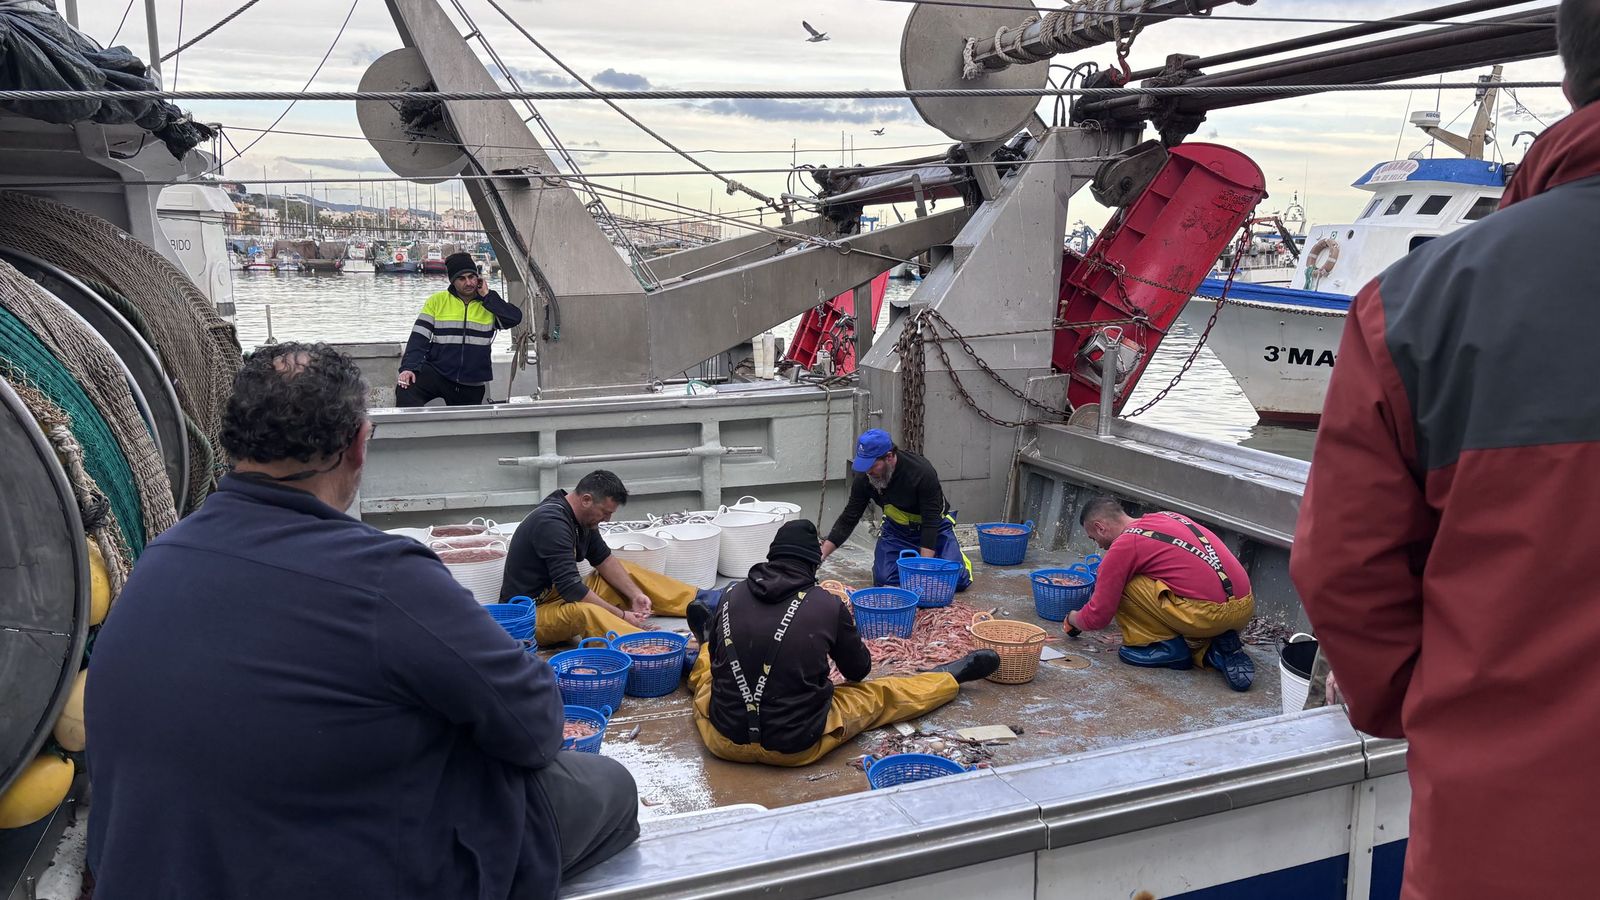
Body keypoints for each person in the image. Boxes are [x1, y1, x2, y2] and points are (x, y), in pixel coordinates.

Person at [85, 343, 637, 899]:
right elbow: (534, 730)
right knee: (607, 787)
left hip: (157, 872)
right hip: (331, 870)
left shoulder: (156, 561)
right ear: (357, 445)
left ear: (232, 442)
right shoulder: (384, 578)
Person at [1291, 4, 1600, 894]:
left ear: (1570, 77)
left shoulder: (1416, 304)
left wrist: (1444, 700)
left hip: (1509, 847)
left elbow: (1345, 571)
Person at [683, 519, 999, 766]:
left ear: (772, 557)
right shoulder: (826, 605)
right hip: (799, 746)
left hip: (723, 741)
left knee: (710, 676)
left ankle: (705, 642)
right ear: (813, 565)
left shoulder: (730, 595)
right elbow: (858, 672)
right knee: (881, 695)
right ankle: (948, 677)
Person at [1066, 497, 1256, 691]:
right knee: (1157, 575)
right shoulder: (1166, 516)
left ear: (1100, 527)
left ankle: (1166, 648)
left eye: (1093, 538)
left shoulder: (1124, 545)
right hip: (1245, 606)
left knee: (1123, 581)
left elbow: (1099, 616)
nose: (1098, 545)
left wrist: (1073, 620)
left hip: (1207, 617)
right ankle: (1213, 649)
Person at [500, 469, 702, 645]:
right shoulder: (551, 523)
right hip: (529, 616)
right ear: (586, 499)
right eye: (605, 512)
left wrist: (635, 595)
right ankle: (650, 646)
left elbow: (604, 559)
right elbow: (572, 589)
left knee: (622, 570)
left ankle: (702, 602)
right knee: (585, 611)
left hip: (559, 598)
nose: (607, 519)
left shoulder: (582, 517)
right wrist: (622, 616)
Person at [821, 429, 972, 591]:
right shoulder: (865, 478)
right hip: (896, 531)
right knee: (884, 581)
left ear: (889, 456)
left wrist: (922, 570)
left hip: (935, 527)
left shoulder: (921, 473)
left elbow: (930, 524)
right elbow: (849, 518)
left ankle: (958, 560)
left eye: (872, 465)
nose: (868, 472)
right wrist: (820, 557)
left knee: (955, 581)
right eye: (864, 467)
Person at [396, 251, 522, 406]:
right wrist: (408, 368)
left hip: (471, 380)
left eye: (472, 277)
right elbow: (419, 338)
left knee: (466, 427)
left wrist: (488, 296)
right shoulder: (437, 301)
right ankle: (410, 430)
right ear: (452, 281)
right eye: (462, 278)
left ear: (478, 278)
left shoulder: (489, 303)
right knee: (406, 386)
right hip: (437, 372)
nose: (468, 283)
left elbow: (515, 318)